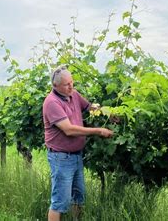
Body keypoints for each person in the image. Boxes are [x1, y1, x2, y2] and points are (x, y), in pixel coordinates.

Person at [43, 65, 114, 221]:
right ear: (55, 86)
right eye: (66, 84)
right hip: (61, 158)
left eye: (72, 82)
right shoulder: (52, 103)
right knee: (60, 201)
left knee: (79, 197)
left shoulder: (73, 94)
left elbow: (89, 107)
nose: (71, 86)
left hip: (75, 156)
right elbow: (68, 130)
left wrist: (107, 112)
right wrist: (98, 131)